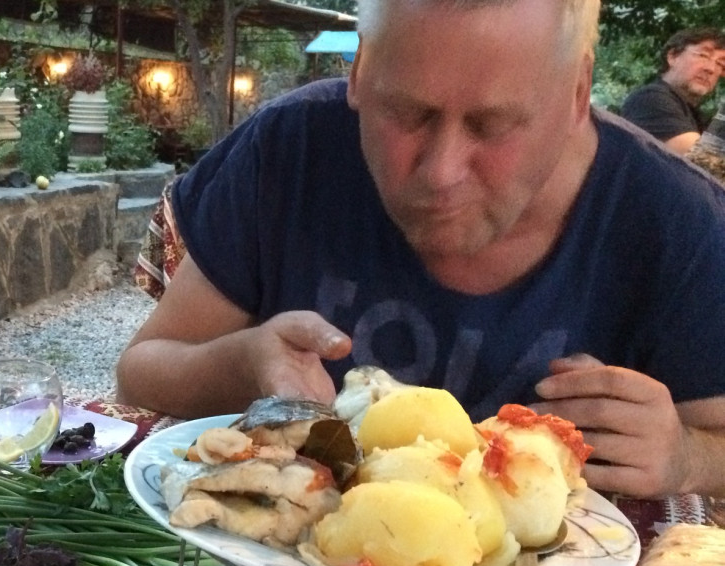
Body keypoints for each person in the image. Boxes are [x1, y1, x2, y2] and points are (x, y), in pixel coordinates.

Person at [115, 0, 725, 501]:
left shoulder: (679, 218)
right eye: (405, 112)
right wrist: (244, 362)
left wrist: (686, 456)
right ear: (359, 72)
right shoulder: (291, 149)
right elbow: (141, 372)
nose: (440, 172)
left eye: (493, 125)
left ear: (577, 92)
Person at [620, 27, 725, 155]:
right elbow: (703, 161)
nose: (711, 69)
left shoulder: (694, 116)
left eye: (720, 64)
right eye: (703, 55)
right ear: (673, 56)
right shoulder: (651, 99)